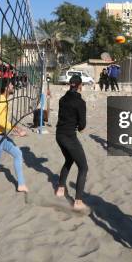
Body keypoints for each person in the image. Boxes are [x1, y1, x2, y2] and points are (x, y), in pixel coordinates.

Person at [54, 74, 88, 210]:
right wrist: (80, 128)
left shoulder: (62, 99)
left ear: (70, 85)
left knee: (69, 160)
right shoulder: (80, 102)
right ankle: (78, 201)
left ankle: (60, 189)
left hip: (59, 135)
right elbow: (82, 124)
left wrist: (78, 126)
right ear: (80, 85)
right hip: (69, 136)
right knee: (84, 167)